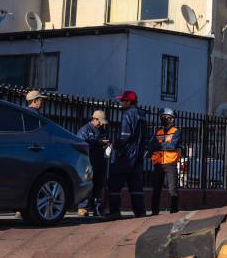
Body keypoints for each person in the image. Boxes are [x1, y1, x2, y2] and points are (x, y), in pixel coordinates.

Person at [105, 90, 148, 219]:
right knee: (136, 185)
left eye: (123, 101)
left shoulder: (128, 114)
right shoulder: (142, 114)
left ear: (129, 102)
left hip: (126, 155)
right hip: (139, 154)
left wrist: (113, 145)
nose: (121, 103)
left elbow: (125, 137)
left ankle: (114, 212)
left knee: (114, 183)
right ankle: (140, 212)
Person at [76, 109, 110, 216]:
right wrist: (98, 142)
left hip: (100, 161)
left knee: (99, 185)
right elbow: (81, 143)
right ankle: (83, 207)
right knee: (87, 184)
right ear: (94, 119)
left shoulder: (102, 130)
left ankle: (98, 208)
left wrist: (106, 145)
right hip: (88, 161)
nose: (101, 124)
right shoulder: (85, 130)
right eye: (99, 121)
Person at [149, 108, 182, 215]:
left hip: (170, 163)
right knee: (156, 188)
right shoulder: (158, 131)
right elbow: (151, 146)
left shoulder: (176, 131)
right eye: (162, 117)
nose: (163, 119)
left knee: (172, 188)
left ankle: (174, 210)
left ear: (172, 119)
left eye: (166, 117)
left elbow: (172, 146)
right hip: (158, 163)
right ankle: (154, 211)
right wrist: (162, 146)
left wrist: (159, 145)